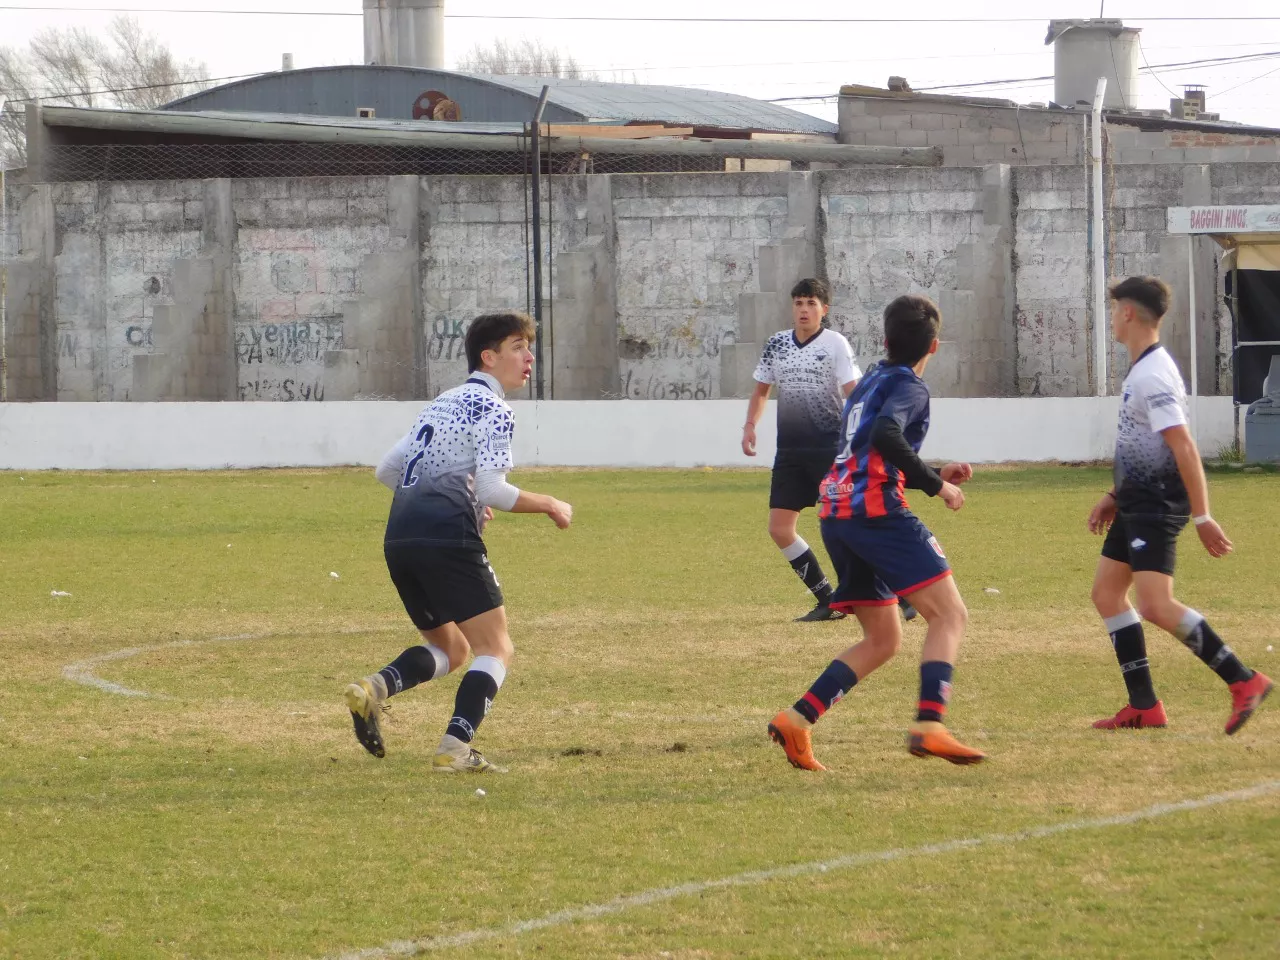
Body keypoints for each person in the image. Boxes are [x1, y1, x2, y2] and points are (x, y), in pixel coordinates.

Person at [344, 311, 573, 773]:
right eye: (516, 347)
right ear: (488, 358)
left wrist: (451, 497)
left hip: (401, 538)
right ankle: (455, 748)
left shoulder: (442, 402)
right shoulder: (494, 409)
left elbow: (386, 471)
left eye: (529, 347)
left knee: (453, 650)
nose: (529, 357)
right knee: (496, 648)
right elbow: (492, 489)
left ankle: (374, 689)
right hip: (447, 540)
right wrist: (548, 502)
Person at [767, 294, 985, 771]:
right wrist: (935, 485)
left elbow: (868, 446)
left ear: (885, 341)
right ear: (934, 346)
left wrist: (930, 469)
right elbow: (887, 434)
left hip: (836, 512)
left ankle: (797, 720)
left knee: (883, 639)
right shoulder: (910, 386)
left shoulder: (870, 381)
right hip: (876, 513)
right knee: (950, 616)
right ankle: (930, 724)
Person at [1087, 276, 1271, 734]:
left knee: (1156, 604)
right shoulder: (1143, 368)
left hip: (1155, 505)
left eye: (1114, 310)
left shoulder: (1153, 375)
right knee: (1107, 594)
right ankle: (1144, 705)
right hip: (1135, 502)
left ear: (1128, 313)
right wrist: (1115, 495)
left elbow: (1184, 447)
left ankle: (1244, 680)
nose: (1112, 318)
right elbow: (1143, 443)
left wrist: (1203, 515)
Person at [742, 277, 862, 622]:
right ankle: (828, 599)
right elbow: (762, 390)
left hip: (830, 448)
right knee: (779, 528)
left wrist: (865, 432)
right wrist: (750, 426)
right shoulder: (777, 343)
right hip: (791, 451)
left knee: (849, 527)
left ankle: (900, 593)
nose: (804, 310)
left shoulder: (835, 343)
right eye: (799, 303)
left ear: (824, 309)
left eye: (811, 303)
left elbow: (853, 390)